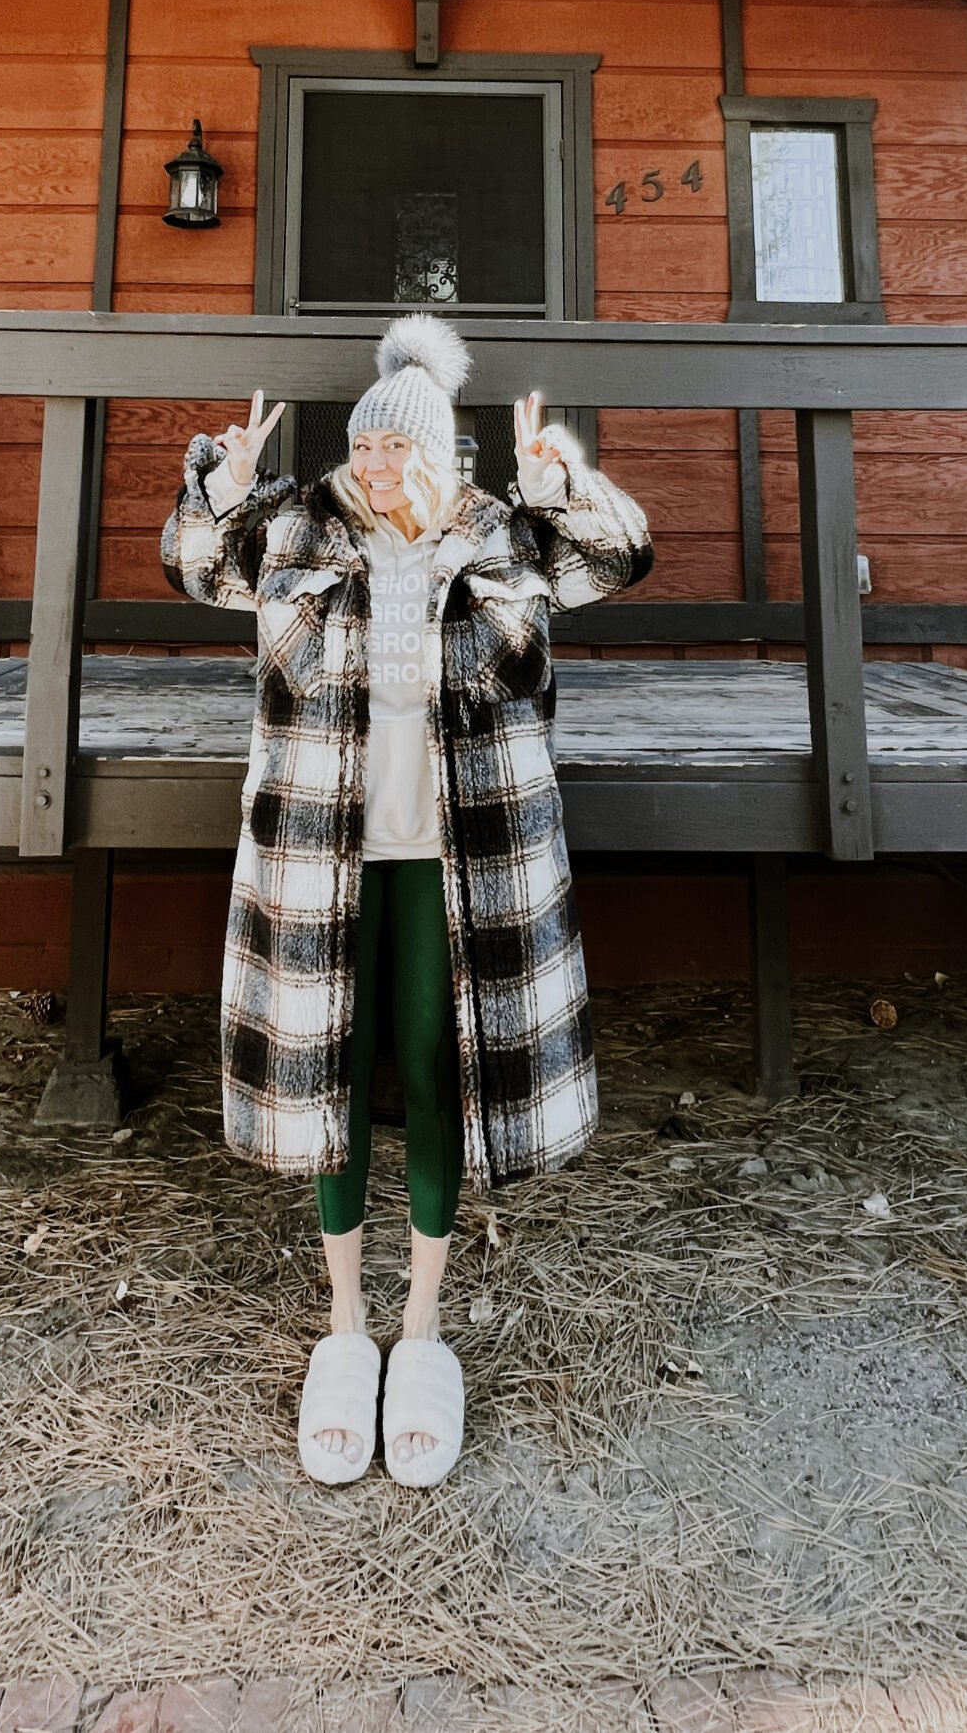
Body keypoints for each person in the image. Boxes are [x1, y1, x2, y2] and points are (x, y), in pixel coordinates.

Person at [163, 315, 652, 1488]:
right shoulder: (294, 527)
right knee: (331, 1068)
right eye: (365, 448)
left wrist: (562, 480)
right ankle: (344, 1328)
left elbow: (621, 556)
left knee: (434, 1073)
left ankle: (422, 1327)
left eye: (399, 449)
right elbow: (192, 562)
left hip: (460, 852)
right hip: (316, 852)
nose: (377, 466)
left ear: (441, 454)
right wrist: (221, 484)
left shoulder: (504, 538)